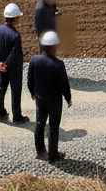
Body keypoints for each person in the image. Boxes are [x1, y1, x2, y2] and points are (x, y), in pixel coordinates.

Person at [27, 30, 72, 163]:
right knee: (53, 127)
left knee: (40, 125)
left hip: (40, 99)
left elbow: (30, 79)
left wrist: (32, 93)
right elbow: (64, 84)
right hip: (54, 101)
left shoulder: (34, 60)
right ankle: (53, 155)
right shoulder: (58, 64)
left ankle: (40, 152)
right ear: (52, 47)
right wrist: (68, 98)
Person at [0, 2, 29, 124]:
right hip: (14, 68)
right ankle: (17, 117)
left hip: (2, 68)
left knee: (1, 89)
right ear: (15, 18)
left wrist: (0, 62)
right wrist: (6, 63)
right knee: (15, 91)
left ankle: (0, 114)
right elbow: (14, 54)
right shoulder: (15, 35)